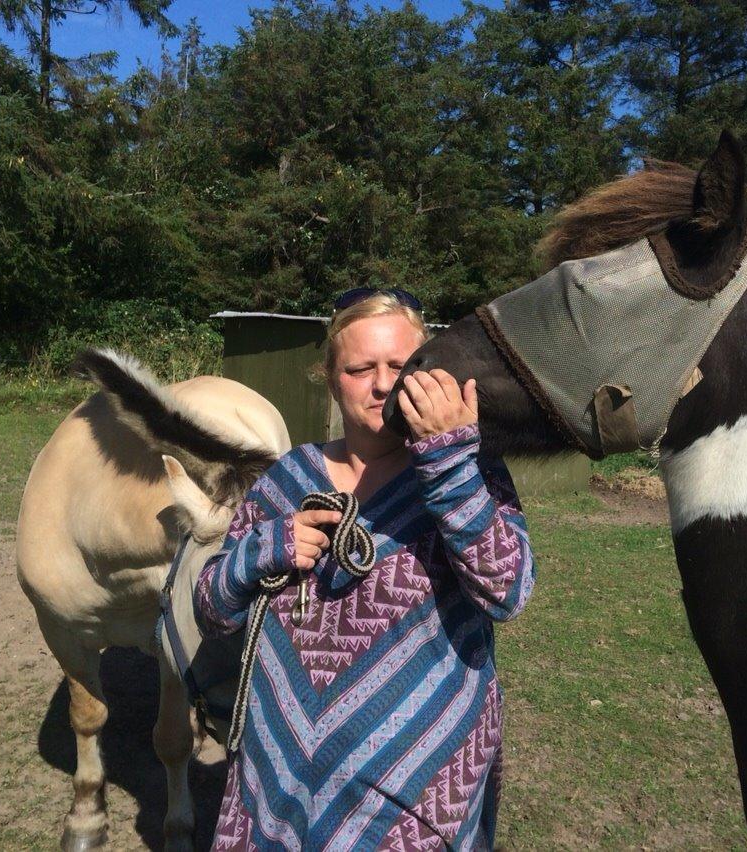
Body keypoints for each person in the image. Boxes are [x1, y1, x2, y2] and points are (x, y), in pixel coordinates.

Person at [195, 289, 536, 850]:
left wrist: (449, 462)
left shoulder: (470, 469)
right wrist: (262, 550)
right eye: (360, 368)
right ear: (330, 377)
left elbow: (509, 591)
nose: (383, 385)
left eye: (401, 367)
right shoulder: (285, 481)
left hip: (414, 791)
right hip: (274, 778)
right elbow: (210, 609)